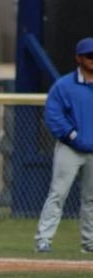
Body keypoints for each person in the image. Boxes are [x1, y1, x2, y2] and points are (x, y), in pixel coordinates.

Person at [34, 37, 93, 253]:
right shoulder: (64, 85)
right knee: (58, 194)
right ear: (78, 58)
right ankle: (43, 240)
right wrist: (72, 135)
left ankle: (89, 243)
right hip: (70, 148)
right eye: (89, 55)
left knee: (91, 199)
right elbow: (53, 115)